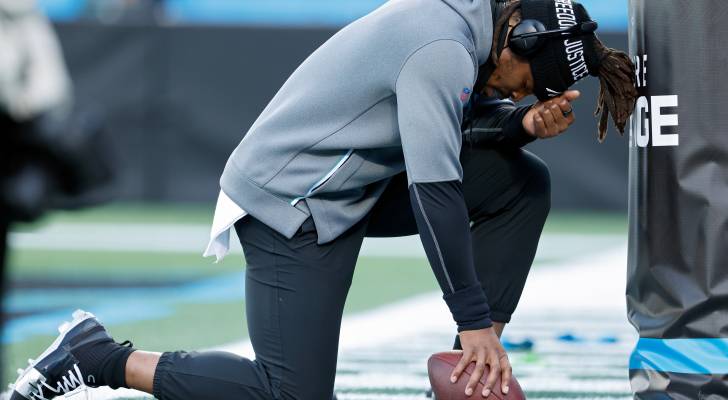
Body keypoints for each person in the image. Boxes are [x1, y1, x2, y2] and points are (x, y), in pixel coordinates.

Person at [8, 0, 637, 399]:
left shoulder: (467, 26)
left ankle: (473, 378)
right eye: (530, 82)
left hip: (352, 187)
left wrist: (519, 126)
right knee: (291, 395)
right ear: (517, 39)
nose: (525, 93)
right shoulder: (442, 48)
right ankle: (99, 356)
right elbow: (436, 193)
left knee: (523, 183)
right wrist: (473, 321)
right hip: (291, 203)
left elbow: (452, 126)